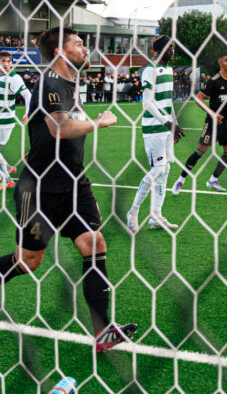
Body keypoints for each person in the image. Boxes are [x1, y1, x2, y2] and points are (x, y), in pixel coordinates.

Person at [0, 26, 136, 352]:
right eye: (78, 44)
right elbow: (60, 127)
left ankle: (103, 333)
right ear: (61, 52)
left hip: (75, 184)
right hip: (41, 190)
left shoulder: (74, 85)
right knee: (28, 261)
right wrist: (99, 122)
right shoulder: (50, 80)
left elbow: (50, 129)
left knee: (94, 242)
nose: (84, 48)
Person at [127, 36, 185, 232]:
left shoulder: (168, 70)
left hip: (166, 128)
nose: (173, 50)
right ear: (158, 50)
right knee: (157, 169)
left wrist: (175, 124)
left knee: (165, 170)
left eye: (174, 47)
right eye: (169, 47)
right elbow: (148, 103)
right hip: (153, 128)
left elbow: (167, 102)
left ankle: (156, 216)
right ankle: (133, 212)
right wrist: (169, 123)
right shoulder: (150, 70)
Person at [172, 54, 227, 194]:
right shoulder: (213, 81)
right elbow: (199, 98)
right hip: (212, 124)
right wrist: (212, 113)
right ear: (221, 64)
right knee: (199, 152)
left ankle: (213, 180)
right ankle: (180, 180)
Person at [0, 52, 31, 187]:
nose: (6, 64)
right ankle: (6, 168)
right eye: (3, 61)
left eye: (9, 61)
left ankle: (5, 180)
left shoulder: (13, 78)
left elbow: (28, 95)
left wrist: (27, 112)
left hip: (4, 121)